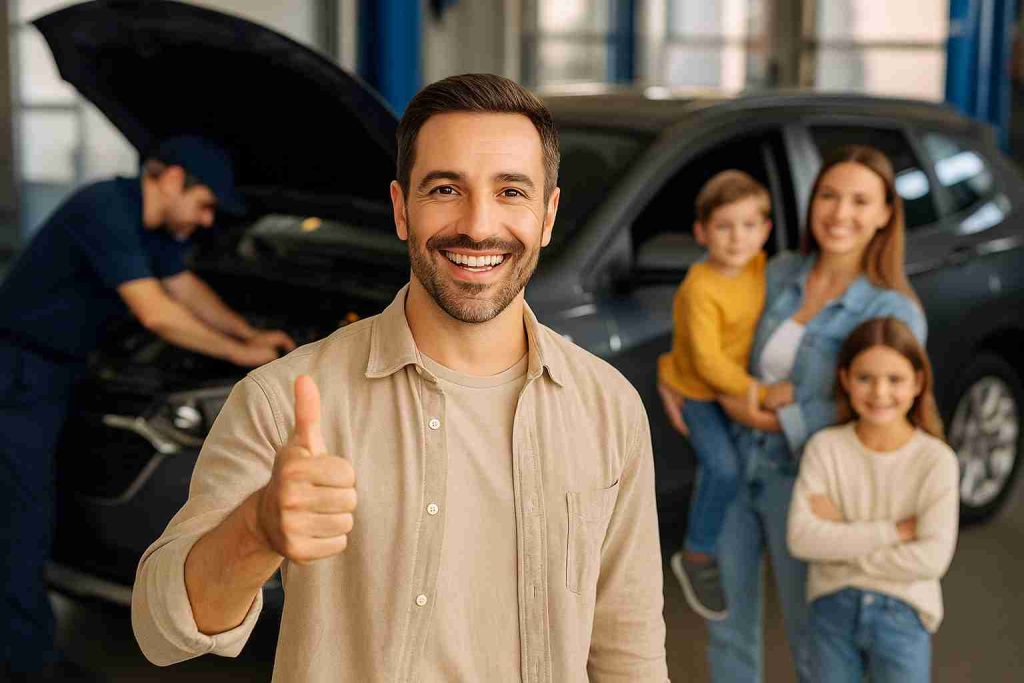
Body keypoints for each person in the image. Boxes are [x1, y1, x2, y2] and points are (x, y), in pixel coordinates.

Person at [132, 74, 668, 682]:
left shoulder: (608, 407)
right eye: (445, 188)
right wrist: (256, 530)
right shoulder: (286, 399)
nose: (478, 224)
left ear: (548, 215)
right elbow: (160, 628)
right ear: (400, 209)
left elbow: (630, 653)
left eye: (511, 192)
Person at [0, 135, 295, 680]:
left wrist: (251, 333)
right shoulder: (104, 208)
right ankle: (29, 667)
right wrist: (240, 354)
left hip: (61, 375)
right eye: (205, 204)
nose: (207, 221)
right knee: (21, 521)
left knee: (33, 508)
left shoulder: (151, 225)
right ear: (172, 179)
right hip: (18, 374)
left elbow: (184, 287)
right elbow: (157, 313)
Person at [685, 145, 929, 682]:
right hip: (733, 471)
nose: (840, 213)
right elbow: (712, 334)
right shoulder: (775, 272)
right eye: (829, 195)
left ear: (886, 214)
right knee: (727, 630)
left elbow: (869, 412)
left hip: (808, 488)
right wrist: (672, 376)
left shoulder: (891, 310)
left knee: (813, 640)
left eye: (860, 201)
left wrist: (766, 415)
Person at [787, 317, 958, 683]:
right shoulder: (825, 449)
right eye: (865, 378)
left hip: (905, 614)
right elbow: (801, 538)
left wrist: (840, 538)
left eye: (894, 379)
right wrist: (896, 531)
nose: (880, 392)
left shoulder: (937, 461)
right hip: (832, 608)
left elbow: (931, 560)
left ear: (918, 382)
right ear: (846, 379)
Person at [657, 170, 793, 620]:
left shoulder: (759, 268)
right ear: (702, 232)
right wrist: (758, 390)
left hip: (732, 386)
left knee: (746, 473)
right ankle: (695, 555)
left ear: (766, 231)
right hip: (698, 392)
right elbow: (708, 363)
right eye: (724, 226)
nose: (738, 238)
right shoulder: (700, 287)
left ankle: (746, 544)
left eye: (749, 226)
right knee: (722, 467)